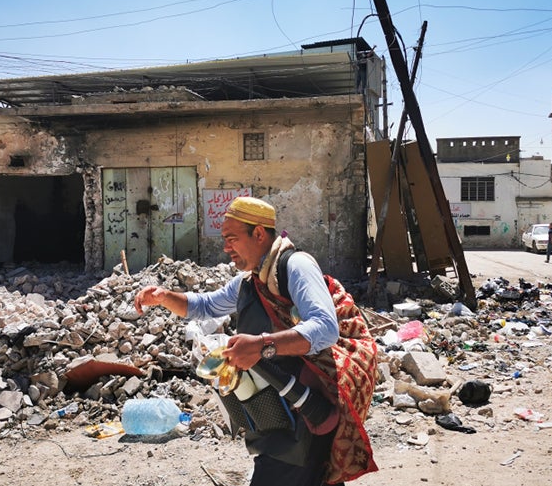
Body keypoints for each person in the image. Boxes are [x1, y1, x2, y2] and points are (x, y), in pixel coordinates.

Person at [134, 196, 377, 486]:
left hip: (306, 409)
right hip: (279, 415)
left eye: (232, 238)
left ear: (259, 234)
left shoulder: (296, 266)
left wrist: (261, 346)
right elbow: (207, 305)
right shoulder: (251, 281)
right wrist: (164, 297)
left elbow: (325, 328)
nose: (226, 248)